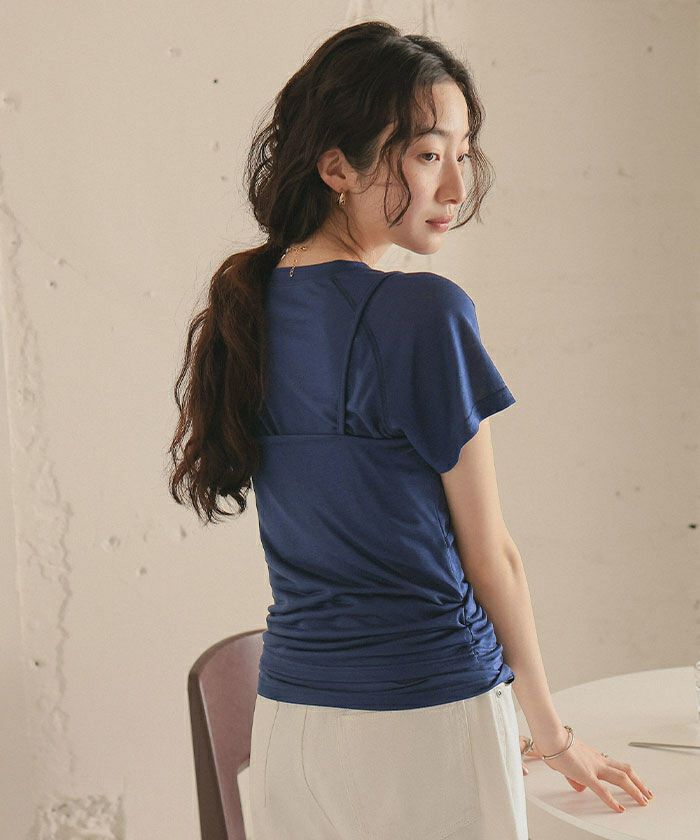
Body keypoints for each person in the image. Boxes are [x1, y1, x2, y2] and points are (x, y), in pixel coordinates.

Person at [168, 19, 654, 840]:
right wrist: (553, 735)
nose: (456, 187)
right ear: (337, 167)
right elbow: (490, 555)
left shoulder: (246, 308)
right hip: (430, 718)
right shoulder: (423, 312)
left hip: (290, 724)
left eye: (463, 154)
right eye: (429, 155)